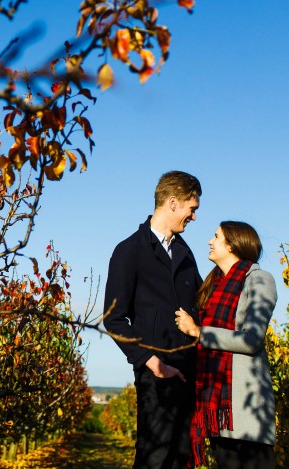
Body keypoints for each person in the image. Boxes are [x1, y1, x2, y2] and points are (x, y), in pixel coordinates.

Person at [103, 170, 203, 469]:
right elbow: (114, 320)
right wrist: (152, 362)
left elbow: (201, 304)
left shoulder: (185, 253)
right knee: (154, 458)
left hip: (188, 372)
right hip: (156, 374)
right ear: (173, 202)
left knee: (181, 457)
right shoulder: (129, 251)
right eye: (192, 209)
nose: (194, 217)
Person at [175, 221, 277, 469]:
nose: (210, 241)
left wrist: (199, 332)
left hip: (246, 413)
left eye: (216, 236)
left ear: (232, 245)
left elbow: (251, 339)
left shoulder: (259, 280)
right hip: (219, 412)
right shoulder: (214, 286)